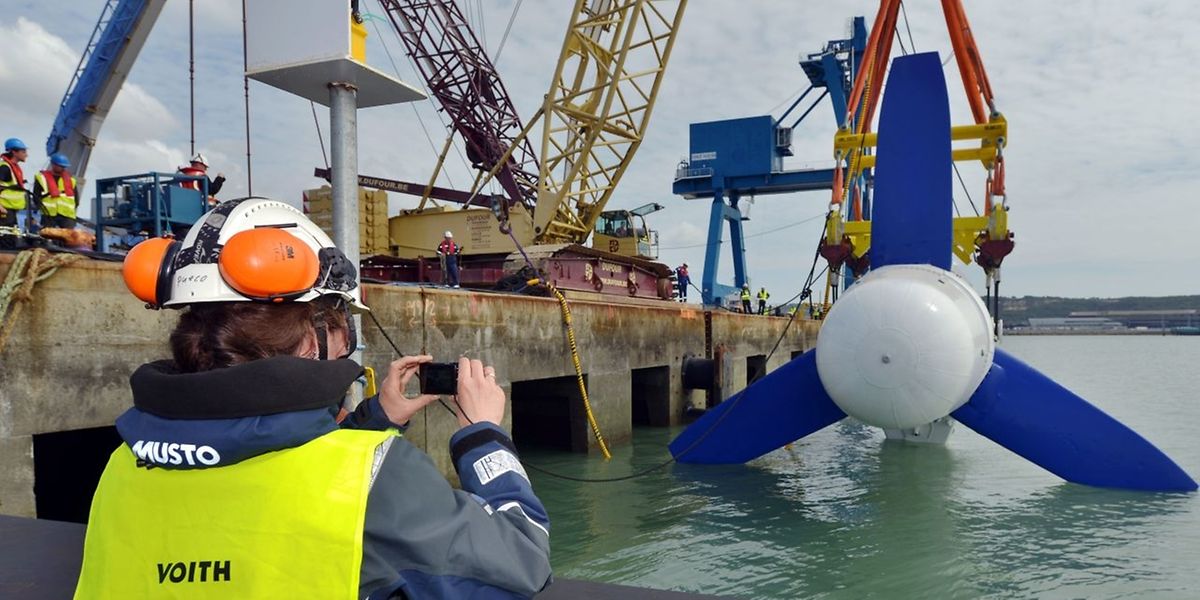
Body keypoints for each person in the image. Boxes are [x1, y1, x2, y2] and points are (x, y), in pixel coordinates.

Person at [74, 199, 551, 599]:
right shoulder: (380, 480)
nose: (348, 345)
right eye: (343, 324)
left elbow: (264, 474)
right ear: (312, 335)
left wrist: (377, 419)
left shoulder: (121, 467)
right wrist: (484, 438)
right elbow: (521, 565)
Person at [33, 153, 80, 229]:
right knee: (48, 238)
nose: (63, 168)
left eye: (64, 166)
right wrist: (43, 209)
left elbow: (76, 201)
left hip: (67, 216)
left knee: (68, 238)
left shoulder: (71, 181)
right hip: (48, 215)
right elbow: (36, 197)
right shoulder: (41, 178)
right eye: (61, 166)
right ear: (53, 164)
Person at [0, 137, 29, 228]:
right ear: (14, 152)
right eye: (23, 151)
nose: (26, 155)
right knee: (6, 239)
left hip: (11, 211)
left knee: (12, 238)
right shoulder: (5, 168)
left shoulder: (14, 168)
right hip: (4, 210)